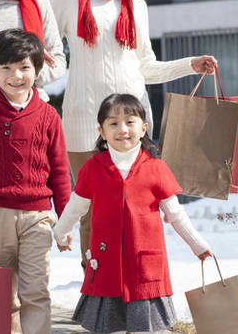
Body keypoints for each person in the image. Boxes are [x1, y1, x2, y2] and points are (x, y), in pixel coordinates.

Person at [50, 0, 217, 268]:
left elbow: (147, 66)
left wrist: (191, 64)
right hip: (84, 122)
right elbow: (44, 51)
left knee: (137, 205)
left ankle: (134, 286)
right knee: (89, 210)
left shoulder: (136, 3)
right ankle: (96, 289)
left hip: (132, 121)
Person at [54, 93, 213, 334]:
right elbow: (76, 205)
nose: (122, 129)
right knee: (110, 328)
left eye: (130, 121)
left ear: (143, 128)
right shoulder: (92, 168)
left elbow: (176, 213)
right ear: (102, 130)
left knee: (143, 329)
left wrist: (197, 244)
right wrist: (61, 232)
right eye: (113, 123)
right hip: (106, 266)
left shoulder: (156, 168)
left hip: (144, 265)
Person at [0, 29, 71, 334]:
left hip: (38, 217)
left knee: (36, 291)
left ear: (38, 70)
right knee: (2, 295)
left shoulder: (49, 116)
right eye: (5, 67)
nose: (15, 75)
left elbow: (59, 170)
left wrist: (66, 221)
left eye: (24, 67)